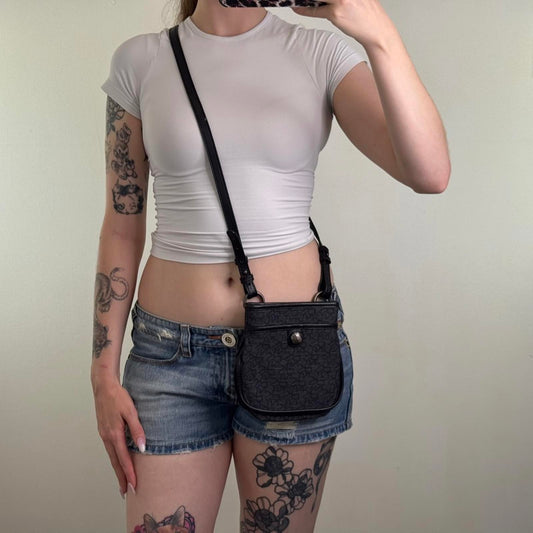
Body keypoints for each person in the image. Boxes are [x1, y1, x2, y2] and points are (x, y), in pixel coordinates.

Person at [92, 0, 450, 530]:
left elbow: (430, 172)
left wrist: (378, 33)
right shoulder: (142, 61)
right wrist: (101, 372)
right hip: (171, 357)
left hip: (294, 349)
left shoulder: (319, 52)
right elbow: (122, 225)